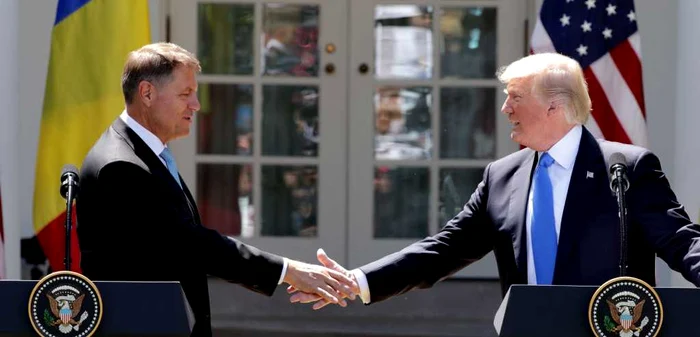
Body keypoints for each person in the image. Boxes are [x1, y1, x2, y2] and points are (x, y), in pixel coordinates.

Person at [289, 52, 700, 310]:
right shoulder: (503, 176)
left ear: (554, 106)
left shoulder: (625, 169)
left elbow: (682, 242)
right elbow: (444, 250)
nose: (505, 109)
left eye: (516, 97)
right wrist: (357, 281)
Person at [75, 42, 358, 336]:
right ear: (147, 93)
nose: (196, 105)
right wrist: (289, 272)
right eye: (185, 94)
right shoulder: (122, 166)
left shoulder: (142, 152)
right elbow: (192, 244)